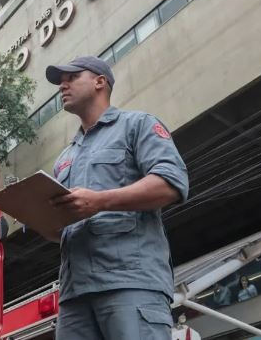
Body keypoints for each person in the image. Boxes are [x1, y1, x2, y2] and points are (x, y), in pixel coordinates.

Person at [46, 56, 189, 340]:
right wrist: (35, 213)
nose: (63, 85)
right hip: (74, 297)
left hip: (130, 283)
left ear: (100, 82)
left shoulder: (137, 125)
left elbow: (171, 183)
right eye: (61, 81)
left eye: (72, 77)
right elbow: (59, 230)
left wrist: (100, 201)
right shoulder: (64, 159)